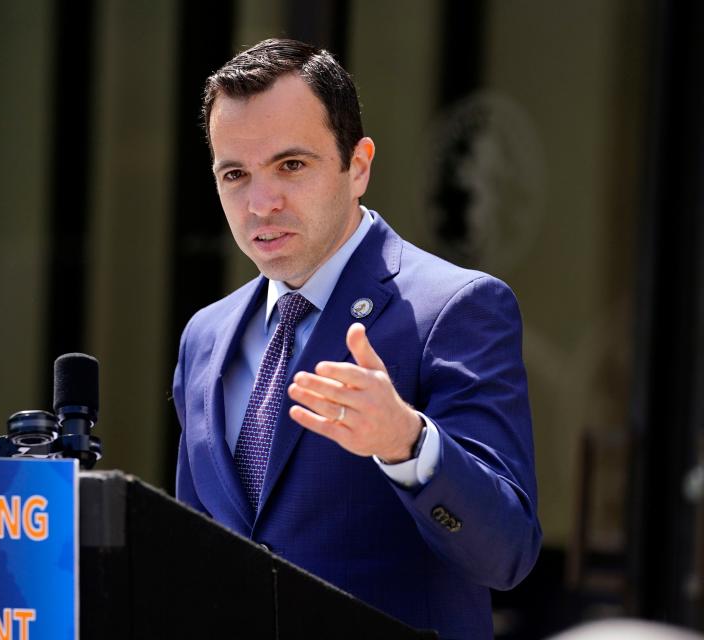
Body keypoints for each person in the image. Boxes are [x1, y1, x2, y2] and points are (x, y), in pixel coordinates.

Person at [172, 38, 541, 638]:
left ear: (359, 165)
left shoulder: (456, 308)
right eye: (235, 174)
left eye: (291, 165)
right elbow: (191, 551)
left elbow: (508, 555)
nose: (261, 203)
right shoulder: (205, 336)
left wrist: (408, 445)